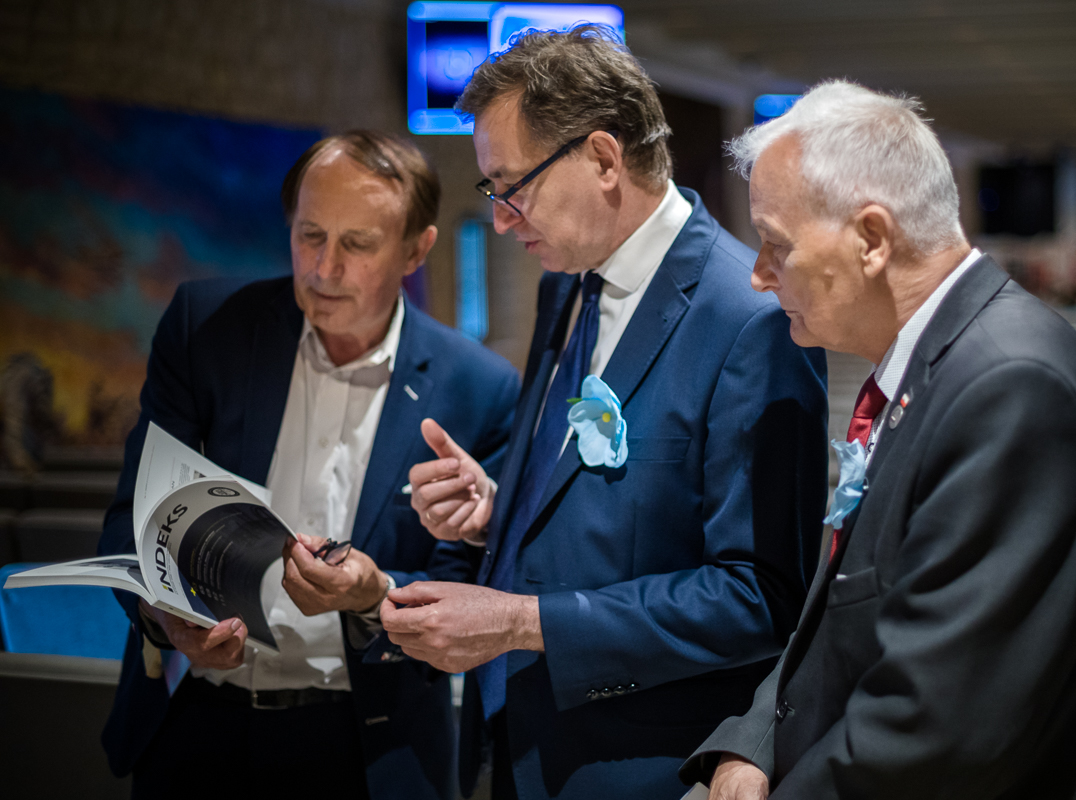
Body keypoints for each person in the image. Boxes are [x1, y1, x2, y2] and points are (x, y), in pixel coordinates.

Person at [380, 27, 829, 800]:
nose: (502, 219)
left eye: (512, 186)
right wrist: (498, 513)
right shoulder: (567, 284)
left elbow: (758, 597)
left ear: (602, 158)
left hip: (636, 766)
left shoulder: (749, 319)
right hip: (515, 745)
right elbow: (598, 506)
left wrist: (522, 621)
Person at [679, 80, 1076, 799]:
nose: (758, 276)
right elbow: (844, 611)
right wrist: (757, 742)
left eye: (777, 243)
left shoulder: (1011, 388)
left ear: (872, 240)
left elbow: (940, 727)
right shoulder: (928, 365)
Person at [96, 131, 521, 800]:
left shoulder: (479, 387)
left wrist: (374, 593)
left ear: (416, 250)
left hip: (369, 741)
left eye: (357, 244)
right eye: (310, 235)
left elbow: (466, 584)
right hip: (197, 722)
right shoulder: (208, 328)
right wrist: (164, 616)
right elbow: (131, 520)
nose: (324, 268)